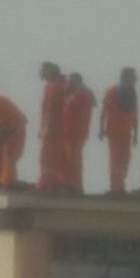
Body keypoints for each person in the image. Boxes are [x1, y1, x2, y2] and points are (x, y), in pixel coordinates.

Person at [99, 67, 139, 194]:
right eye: (133, 77)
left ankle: (120, 185)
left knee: (125, 159)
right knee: (115, 159)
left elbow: (135, 114)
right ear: (126, 77)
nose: (134, 80)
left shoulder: (132, 93)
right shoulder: (112, 91)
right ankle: (115, 187)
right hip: (114, 131)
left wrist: (136, 134)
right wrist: (101, 129)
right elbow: (103, 111)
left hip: (126, 132)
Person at [0, 91, 27, 190]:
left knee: (9, 155)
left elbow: (7, 127)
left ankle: (8, 183)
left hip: (16, 128)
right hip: (3, 130)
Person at [37, 62, 69, 192]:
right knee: (50, 156)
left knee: (49, 156)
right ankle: (50, 183)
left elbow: (51, 109)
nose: (42, 73)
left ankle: (49, 184)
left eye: (44, 70)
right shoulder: (53, 86)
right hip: (52, 126)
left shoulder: (57, 87)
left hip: (54, 127)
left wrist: (46, 127)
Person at [62, 72, 95, 193]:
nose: (69, 83)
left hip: (75, 132)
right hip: (73, 131)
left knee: (73, 158)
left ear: (76, 81)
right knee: (72, 158)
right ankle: (72, 184)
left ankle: (74, 185)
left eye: (71, 81)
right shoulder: (82, 93)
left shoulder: (81, 94)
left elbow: (72, 110)